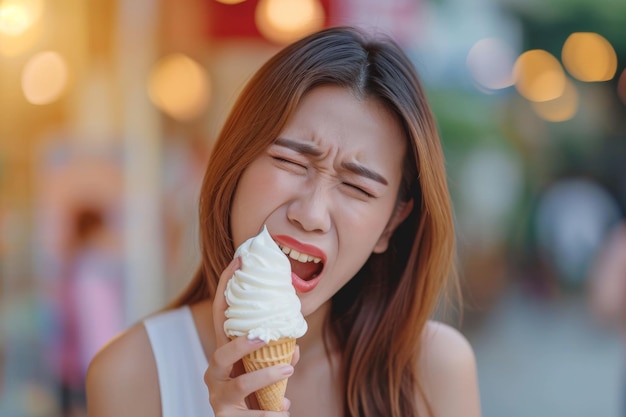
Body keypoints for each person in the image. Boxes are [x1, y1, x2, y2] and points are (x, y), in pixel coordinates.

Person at [86, 26, 481, 417]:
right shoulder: (131, 374)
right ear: (235, 165)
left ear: (392, 224)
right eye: (290, 162)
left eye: (358, 188)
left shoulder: (434, 372)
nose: (310, 214)